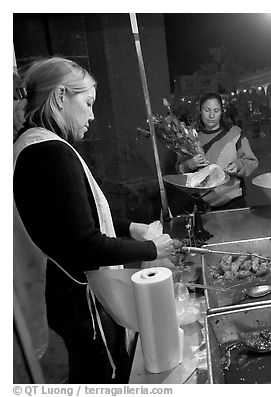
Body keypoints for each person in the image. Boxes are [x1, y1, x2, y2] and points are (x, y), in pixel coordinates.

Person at [13, 57, 179, 383]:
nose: (91, 115)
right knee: (101, 375)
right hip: (76, 301)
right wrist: (150, 249)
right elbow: (85, 245)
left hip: (62, 299)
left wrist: (130, 228)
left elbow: (75, 217)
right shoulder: (50, 154)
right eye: (87, 103)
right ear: (61, 96)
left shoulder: (30, 145)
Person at [176, 92, 258, 210]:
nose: (211, 115)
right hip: (202, 205)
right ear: (200, 111)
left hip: (232, 201)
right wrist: (190, 164)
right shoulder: (190, 138)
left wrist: (238, 165)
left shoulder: (235, 133)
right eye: (207, 110)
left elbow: (251, 162)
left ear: (221, 112)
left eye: (216, 111)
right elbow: (179, 169)